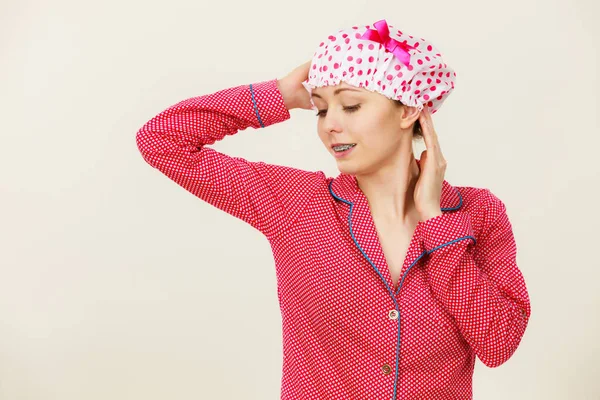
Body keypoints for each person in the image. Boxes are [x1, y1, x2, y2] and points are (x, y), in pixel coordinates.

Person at [136, 19, 531, 400]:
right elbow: (161, 140)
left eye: (352, 106)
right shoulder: (296, 203)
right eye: (323, 110)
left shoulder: (479, 213)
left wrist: (435, 220)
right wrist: (281, 94)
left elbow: (498, 343)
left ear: (410, 110)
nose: (330, 126)